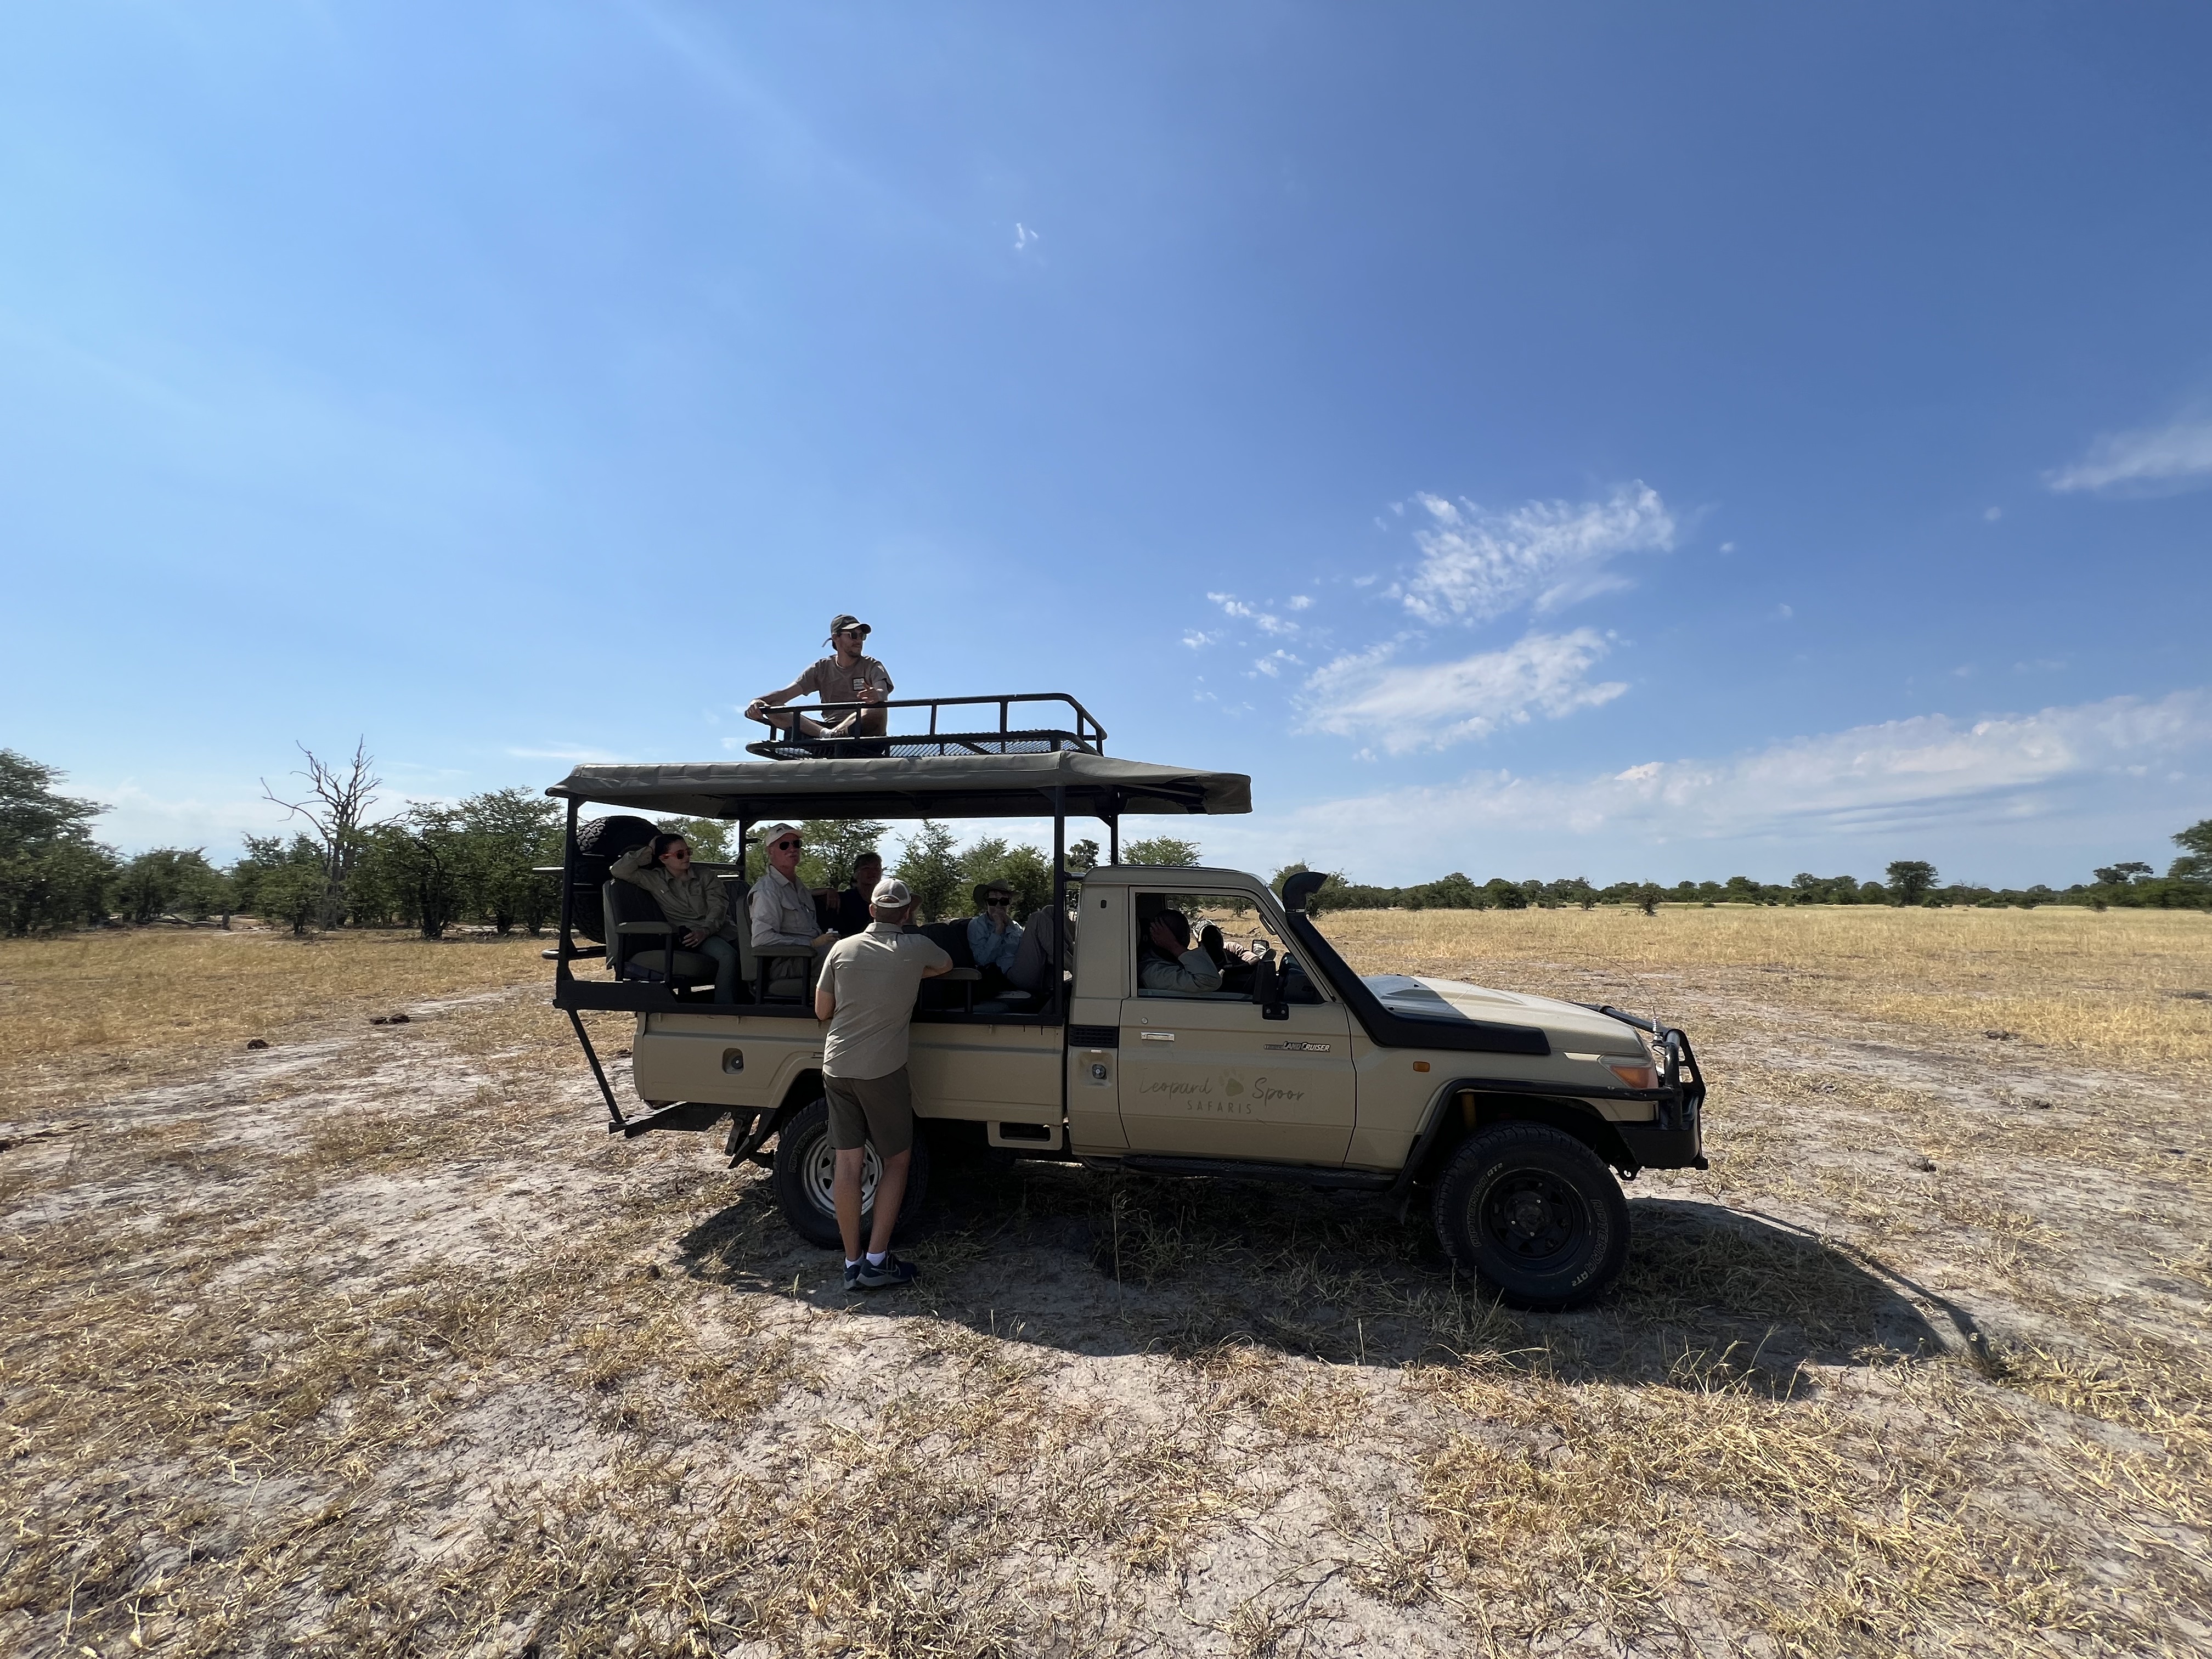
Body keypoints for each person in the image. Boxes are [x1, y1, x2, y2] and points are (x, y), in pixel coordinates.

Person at [814, 877, 953, 1289]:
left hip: (836, 1066)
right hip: (882, 1071)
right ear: (908, 912)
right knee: (896, 1160)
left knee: (846, 1163)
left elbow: (823, 1010)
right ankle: (877, 1261)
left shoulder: (841, 949)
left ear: (872, 910)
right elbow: (945, 964)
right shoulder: (915, 948)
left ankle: (851, 1263)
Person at [610, 832, 742, 1003]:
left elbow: (718, 905)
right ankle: (726, 1012)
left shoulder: (705, 875)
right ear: (664, 858)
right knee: (727, 957)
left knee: (756, 952)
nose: (686, 857)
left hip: (720, 929)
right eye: (680, 854)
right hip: (693, 936)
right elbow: (619, 870)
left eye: (689, 852)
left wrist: (707, 929)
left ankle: (758, 1000)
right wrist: (650, 850)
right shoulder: (655, 879)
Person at [745, 616, 893, 741]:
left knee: (876, 708)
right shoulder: (821, 668)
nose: (859, 640)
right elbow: (785, 695)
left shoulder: (872, 665)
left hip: (863, 729)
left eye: (862, 636)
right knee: (775, 709)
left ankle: (833, 736)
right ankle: (828, 736)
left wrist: (877, 695)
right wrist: (756, 702)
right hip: (826, 730)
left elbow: (882, 692)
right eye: (853, 635)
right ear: (836, 637)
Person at [749, 823, 839, 992]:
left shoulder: (798, 886)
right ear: (770, 852)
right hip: (787, 963)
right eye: (784, 845)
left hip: (810, 956)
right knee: (847, 956)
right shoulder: (766, 891)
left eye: (796, 844)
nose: (792, 849)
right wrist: (811, 943)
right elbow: (762, 939)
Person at [1138, 909, 1223, 993]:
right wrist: (1174, 946)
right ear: (1156, 936)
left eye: (1186, 933)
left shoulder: (1172, 958)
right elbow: (1210, 981)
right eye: (1177, 935)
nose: (1185, 939)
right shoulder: (1154, 973)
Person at [965, 881, 1024, 980]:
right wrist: (998, 931)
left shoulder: (1016, 927)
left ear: (1009, 905)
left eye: (1004, 901)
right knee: (1038, 918)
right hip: (1002, 977)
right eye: (993, 901)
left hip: (1022, 969)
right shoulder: (977, 925)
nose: (998, 906)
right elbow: (982, 961)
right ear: (986, 903)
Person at [830, 851, 884, 938]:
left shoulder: (885, 901)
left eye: (877, 869)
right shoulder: (842, 899)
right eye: (866, 868)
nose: (873, 872)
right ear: (855, 875)